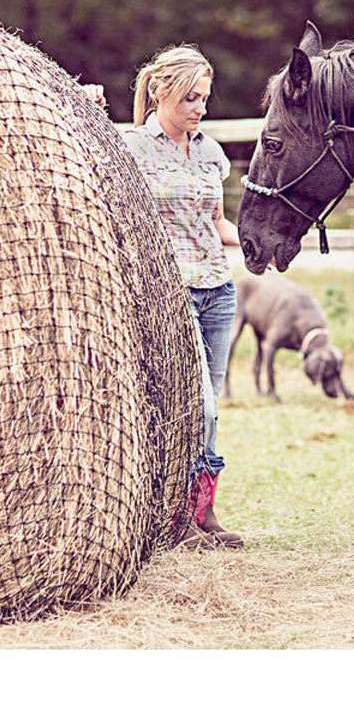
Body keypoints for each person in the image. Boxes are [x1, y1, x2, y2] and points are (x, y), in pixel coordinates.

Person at [122, 44, 244, 550]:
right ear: (159, 93)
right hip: (170, 292)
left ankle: (203, 513)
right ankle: (173, 514)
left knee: (213, 405)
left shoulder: (211, 151)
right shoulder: (131, 149)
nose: (199, 109)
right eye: (191, 98)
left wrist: (262, 242)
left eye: (204, 100)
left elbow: (216, 224)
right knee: (200, 407)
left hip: (219, 289)